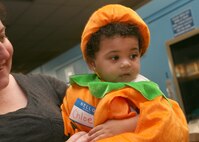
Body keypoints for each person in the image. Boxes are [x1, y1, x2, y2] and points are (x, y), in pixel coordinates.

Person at [0, 2, 139, 142]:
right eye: (114, 57)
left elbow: (136, 112)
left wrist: (129, 122)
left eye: (1, 37)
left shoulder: (44, 84)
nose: (5, 54)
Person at [61, 4, 189, 142]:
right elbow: (68, 119)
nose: (127, 63)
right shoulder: (79, 91)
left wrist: (129, 124)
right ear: (92, 63)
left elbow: (170, 124)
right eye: (115, 57)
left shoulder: (144, 90)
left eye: (133, 55)